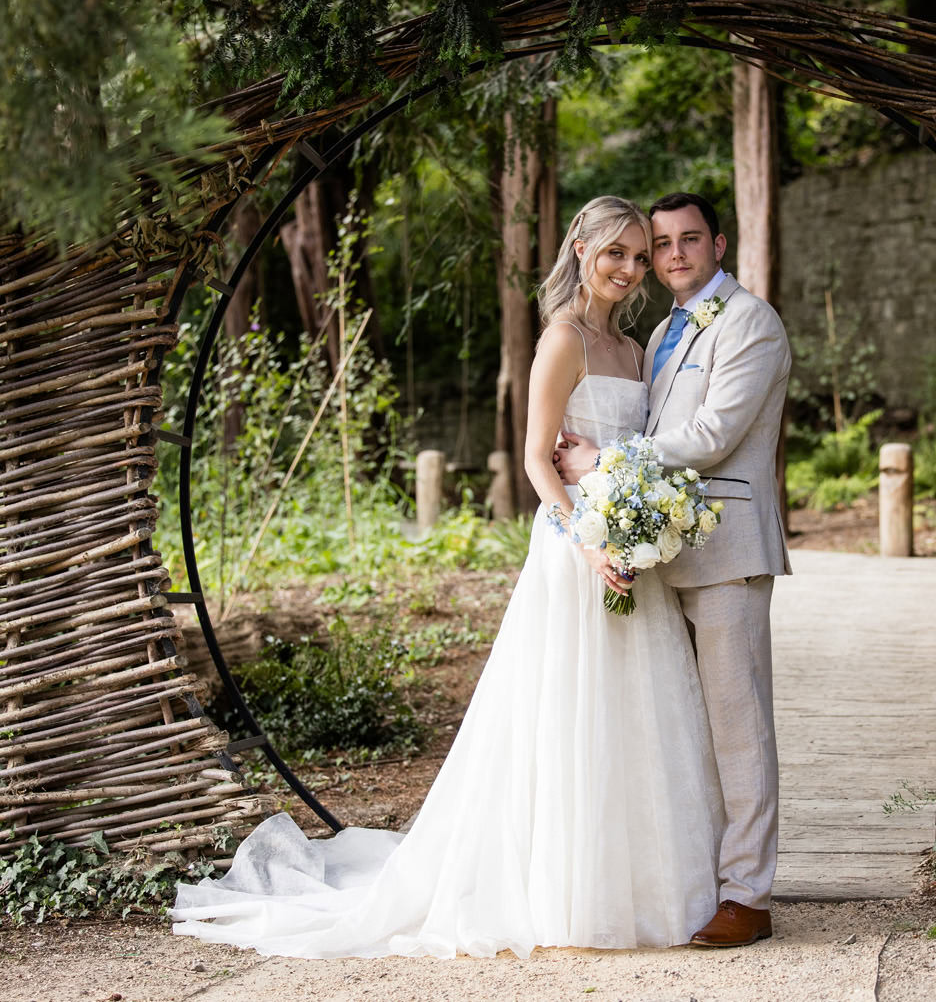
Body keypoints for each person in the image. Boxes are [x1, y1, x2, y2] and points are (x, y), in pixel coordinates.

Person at [171, 196, 723, 959]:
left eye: (639, 256)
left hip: (632, 551)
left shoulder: (633, 348)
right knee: (571, 713)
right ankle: (565, 890)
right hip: (577, 550)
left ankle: (644, 882)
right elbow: (537, 457)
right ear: (580, 249)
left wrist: (637, 526)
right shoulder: (564, 340)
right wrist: (588, 542)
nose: (630, 270)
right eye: (616, 254)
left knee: (638, 716)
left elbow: (631, 448)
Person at [555, 192, 791, 948]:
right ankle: (704, 874)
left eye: (690, 239)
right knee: (686, 730)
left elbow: (715, 433)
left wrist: (604, 461)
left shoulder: (750, 320)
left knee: (739, 727)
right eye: (661, 244)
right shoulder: (657, 331)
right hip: (661, 554)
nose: (674, 254)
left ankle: (748, 895)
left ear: (719, 244)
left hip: (727, 552)